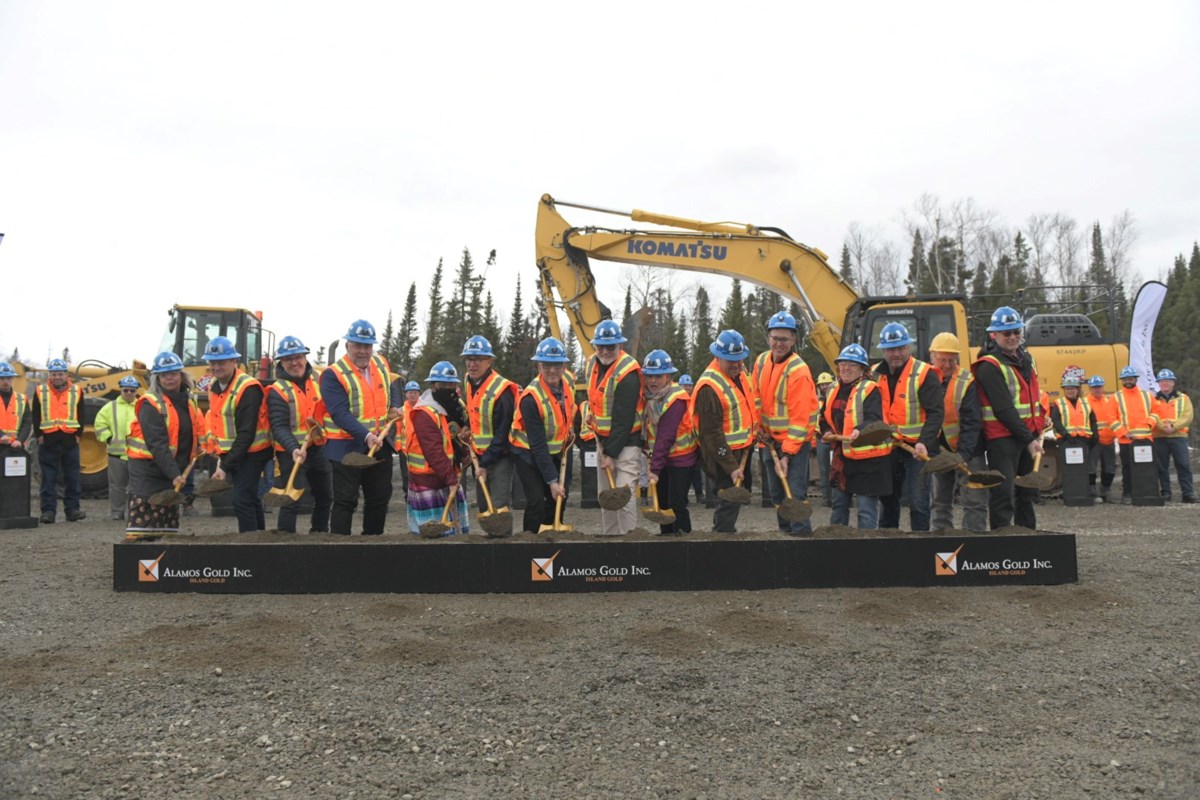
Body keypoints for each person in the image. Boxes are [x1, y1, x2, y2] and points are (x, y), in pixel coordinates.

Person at [321, 320, 398, 535]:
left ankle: (373, 543)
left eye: (367, 346)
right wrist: (366, 436)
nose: (363, 351)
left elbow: (393, 384)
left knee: (379, 497)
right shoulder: (332, 374)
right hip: (346, 446)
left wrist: (394, 405)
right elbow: (339, 413)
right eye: (357, 346)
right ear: (347, 346)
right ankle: (339, 547)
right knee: (346, 500)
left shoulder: (381, 363)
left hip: (380, 442)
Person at [971, 307, 1044, 530]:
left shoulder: (1027, 359)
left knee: (1027, 493)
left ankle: (1027, 538)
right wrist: (1029, 439)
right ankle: (1002, 543)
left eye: (1016, 332)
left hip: (1027, 434)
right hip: (1002, 440)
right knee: (1003, 494)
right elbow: (1003, 409)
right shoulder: (988, 366)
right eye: (1006, 333)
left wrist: (1041, 421)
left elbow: (1032, 396)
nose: (1012, 337)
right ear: (994, 335)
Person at [124, 352, 206, 539]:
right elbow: (157, 444)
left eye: (173, 373)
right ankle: (136, 561)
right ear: (158, 379)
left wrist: (201, 448)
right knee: (144, 524)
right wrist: (175, 474)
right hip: (148, 470)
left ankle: (160, 563)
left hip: (172, 469)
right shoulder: (151, 404)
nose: (170, 378)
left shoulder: (189, 402)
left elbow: (194, 431)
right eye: (164, 375)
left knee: (165, 526)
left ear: (181, 375)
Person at [751, 311, 819, 536]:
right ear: (768, 337)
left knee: (795, 495)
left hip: (794, 445)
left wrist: (787, 455)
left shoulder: (798, 371)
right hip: (769, 441)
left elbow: (801, 418)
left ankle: (800, 537)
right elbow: (756, 397)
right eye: (775, 338)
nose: (779, 343)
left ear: (794, 340)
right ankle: (785, 536)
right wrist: (759, 427)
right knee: (777, 495)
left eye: (784, 339)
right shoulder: (761, 362)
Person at [874, 322, 943, 532]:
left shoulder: (924, 373)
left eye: (900, 348)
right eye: (891, 349)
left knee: (918, 501)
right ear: (883, 350)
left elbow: (936, 413)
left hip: (916, 449)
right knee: (887, 501)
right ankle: (888, 544)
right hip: (889, 448)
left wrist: (924, 442)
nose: (896, 354)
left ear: (908, 348)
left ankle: (920, 547)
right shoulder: (875, 374)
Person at [203, 336, 272, 532]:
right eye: (212, 362)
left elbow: (246, 434)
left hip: (253, 452)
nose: (216, 367)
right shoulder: (213, 385)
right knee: (250, 498)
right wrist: (220, 456)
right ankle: (259, 538)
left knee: (242, 500)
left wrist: (224, 466)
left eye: (222, 362)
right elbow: (219, 423)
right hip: (234, 452)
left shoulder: (247, 388)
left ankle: (249, 543)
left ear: (234, 361)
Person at [266, 336, 333, 533]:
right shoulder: (277, 390)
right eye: (288, 359)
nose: (294, 363)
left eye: (297, 357)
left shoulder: (321, 381)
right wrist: (294, 448)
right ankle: (285, 540)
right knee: (291, 499)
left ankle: (319, 534)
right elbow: (278, 426)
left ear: (305, 357)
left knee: (325, 496)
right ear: (281, 362)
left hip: (319, 448)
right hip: (290, 453)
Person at [693, 330, 758, 534]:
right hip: (721, 455)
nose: (737, 365)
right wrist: (730, 466)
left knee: (735, 501)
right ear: (718, 356)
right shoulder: (709, 388)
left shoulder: (739, 373)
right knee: (727, 500)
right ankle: (721, 539)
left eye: (740, 360)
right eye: (731, 361)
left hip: (741, 449)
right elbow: (711, 435)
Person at [509, 338, 576, 534]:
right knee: (537, 499)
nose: (552, 370)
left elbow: (565, 413)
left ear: (564, 365)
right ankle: (529, 540)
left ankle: (552, 536)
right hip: (527, 453)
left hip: (557, 449)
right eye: (546, 365)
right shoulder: (531, 397)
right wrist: (552, 481)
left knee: (560, 497)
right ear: (539, 365)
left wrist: (568, 429)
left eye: (556, 365)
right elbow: (538, 445)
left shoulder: (567, 387)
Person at [585, 320, 644, 536]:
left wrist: (610, 454)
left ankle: (628, 541)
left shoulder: (627, 373)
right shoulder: (592, 363)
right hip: (603, 440)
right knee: (606, 495)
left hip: (626, 443)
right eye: (601, 346)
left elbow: (623, 419)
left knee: (623, 495)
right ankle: (610, 539)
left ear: (620, 346)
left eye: (611, 347)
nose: (605, 351)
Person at [820, 344, 889, 528]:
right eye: (843, 363)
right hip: (843, 458)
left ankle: (866, 551)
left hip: (868, 459)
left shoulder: (870, 389)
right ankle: (836, 547)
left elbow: (875, 418)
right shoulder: (833, 388)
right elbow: (823, 416)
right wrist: (826, 430)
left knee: (866, 511)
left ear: (862, 369)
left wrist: (861, 429)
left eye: (852, 364)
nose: (846, 368)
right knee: (839, 506)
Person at [927, 333, 986, 532]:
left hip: (969, 449)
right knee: (940, 499)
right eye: (942, 360)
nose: (946, 364)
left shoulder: (966, 381)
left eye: (951, 360)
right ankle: (942, 537)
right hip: (940, 448)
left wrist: (963, 454)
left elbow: (972, 421)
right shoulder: (924, 379)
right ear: (932, 357)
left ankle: (974, 538)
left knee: (974, 499)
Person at [461, 335, 519, 537]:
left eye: (477, 359)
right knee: (485, 507)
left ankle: (504, 545)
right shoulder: (470, 383)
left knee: (500, 506)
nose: (472, 363)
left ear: (489, 361)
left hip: (500, 457)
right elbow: (474, 411)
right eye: (469, 359)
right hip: (480, 455)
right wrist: (467, 426)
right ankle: (490, 545)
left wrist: (484, 464)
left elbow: (502, 433)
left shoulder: (502, 390)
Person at [406, 361, 470, 537]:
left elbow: (458, 438)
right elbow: (433, 451)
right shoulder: (424, 413)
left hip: (448, 476)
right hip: (427, 481)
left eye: (451, 384)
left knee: (457, 533)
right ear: (433, 386)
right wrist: (450, 481)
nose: (448, 388)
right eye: (442, 384)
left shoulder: (456, 407)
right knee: (431, 536)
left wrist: (466, 454)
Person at [641, 349, 696, 535]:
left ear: (668, 376)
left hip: (681, 459)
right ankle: (665, 540)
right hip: (661, 458)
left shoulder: (676, 399)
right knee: (662, 503)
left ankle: (684, 540)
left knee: (676, 503)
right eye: (649, 376)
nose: (653, 381)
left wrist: (654, 470)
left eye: (658, 376)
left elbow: (665, 436)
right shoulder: (650, 398)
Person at [31, 358, 85, 523]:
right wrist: (39, 434)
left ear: (65, 374)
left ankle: (72, 510)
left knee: (72, 476)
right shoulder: (40, 391)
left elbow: (81, 413)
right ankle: (48, 511)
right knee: (48, 477)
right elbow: (36, 415)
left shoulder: (77, 390)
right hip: (48, 439)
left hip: (69, 439)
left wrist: (78, 434)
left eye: (60, 374)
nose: (57, 377)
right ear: (50, 375)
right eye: (54, 374)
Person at [92, 376, 140, 520]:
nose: (129, 393)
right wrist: (108, 438)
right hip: (116, 455)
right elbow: (99, 424)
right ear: (121, 389)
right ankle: (117, 513)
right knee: (116, 487)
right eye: (126, 390)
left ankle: (135, 512)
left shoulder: (142, 407)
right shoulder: (109, 407)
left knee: (136, 487)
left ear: (136, 390)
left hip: (137, 455)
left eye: (132, 390)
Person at [1112, 365, 1159, 505]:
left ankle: (1146, 492)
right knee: (1127, 469)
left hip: (1145, 439)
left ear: (1135, 379)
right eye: (1125, 379)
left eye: (1130, 378)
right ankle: (1127, 494)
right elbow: (1111, 418)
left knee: (1147, 468)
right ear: (1122, 381)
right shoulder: (1116, 397)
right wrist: (1123, 432)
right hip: (1126, 441)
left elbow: (1156, 412)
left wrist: (1150, 424)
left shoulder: (1147, 396)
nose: (1128, 381)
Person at [1050, 375, 1100, 502]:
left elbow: (1092, 420)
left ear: (1078, 390)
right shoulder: (1059, 403)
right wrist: (1065, 435)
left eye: (1072, 388)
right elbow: (1056, 421)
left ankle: (1085, 494)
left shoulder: (1085, 403)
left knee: (1084, 468)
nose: (1070, 391)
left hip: (1084, 441)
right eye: (1067, 389)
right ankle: (1070, 494)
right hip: (1066, 441)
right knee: (1069, 469)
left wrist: (1095, 435)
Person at [1152, 368, 1194, 503]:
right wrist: (1162, 427)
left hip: (1178, 436)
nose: (1165, 384)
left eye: (1168, 381)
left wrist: (1174, 427)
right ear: (1158, 383)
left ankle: (1188, 493)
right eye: (1162, 381)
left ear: (1173, 383)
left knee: (1183, 465)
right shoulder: (1153, 399)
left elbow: (1187, 416)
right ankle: (1165, 493)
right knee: (1161, 467)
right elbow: (1151, 415)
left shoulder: (1184, 398)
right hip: (1159, 437)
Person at [1086, 375, 1120, 503]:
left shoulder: (1109, 401)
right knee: (1091, 468)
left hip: (1109, 440)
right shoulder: (1085, 402)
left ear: (1103, 387)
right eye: (1094, 387)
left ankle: (1106, 490)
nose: (1097, 390)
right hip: (1094, 441)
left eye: (1099, 387)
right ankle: (1092, 492)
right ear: (1090, 388)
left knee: (1110, 468)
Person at [395, 380, 420, 498]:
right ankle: (408, 495)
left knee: (420, 472)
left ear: (419, 394)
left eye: (415, 392)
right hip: (405, 450)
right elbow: (398, 430)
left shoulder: (424, 408)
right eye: (410, 392)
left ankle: (420, 493)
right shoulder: (401, 411)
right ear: (405, 394)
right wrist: (399, 448)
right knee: (406, 474)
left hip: (420, 449)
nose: (412, 395)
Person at [814, 371, 836, 507]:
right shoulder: (815, 401)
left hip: (835, 437)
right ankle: (826, 498)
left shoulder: (835, 398)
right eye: (822, 385)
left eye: (827, 384)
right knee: (824, 470)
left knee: (837, 468)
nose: (825, 387)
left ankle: (838, 497)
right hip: (820, 438)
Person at [0, 361, 32, 449]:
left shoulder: (21, 399)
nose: (5, 381)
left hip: (14, 446)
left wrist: (20, 440)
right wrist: (1, 435)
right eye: (2, 378)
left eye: (8, 378)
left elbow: (27, 423)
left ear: (13, 378)